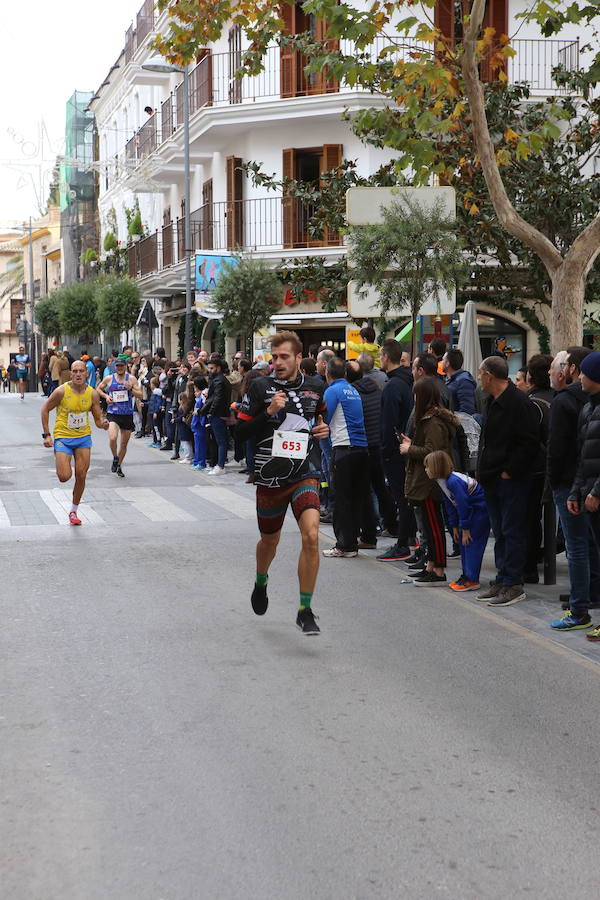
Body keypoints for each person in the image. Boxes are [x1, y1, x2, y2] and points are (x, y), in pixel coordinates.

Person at [235, 330, 329, 635]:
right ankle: (261, 580)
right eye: (274, 357)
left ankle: (305, 609)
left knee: (311, 536)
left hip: (305, 472)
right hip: (270, 477)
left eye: (284, 357)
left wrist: (322, 430)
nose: (278, 362)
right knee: (270, 542)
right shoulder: (260, 386)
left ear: (299, 358)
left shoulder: (316, 386)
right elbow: (240, 433)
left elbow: (320, 420)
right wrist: (268, 413)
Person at [476, 355, 539, 606]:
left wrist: (509, 471)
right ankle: (502, 579)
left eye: (481, 373)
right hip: (492, 478)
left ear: (489, 375)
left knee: (513, 531)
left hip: (511, 480)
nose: (479, 378)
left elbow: (529, 442)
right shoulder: (491, 401)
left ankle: (513, 583)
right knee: (500, 532)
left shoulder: (518, 402)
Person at [547, 347, 598, 631]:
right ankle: (586, 601)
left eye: (562, 365)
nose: (558, 371)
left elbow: (560, 449)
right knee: (586, 545)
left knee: (577, 546)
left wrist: (560, 484)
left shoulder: (566, 401)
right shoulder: (588, 404)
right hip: (581, 487)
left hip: (578, 487)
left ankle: (580, 608)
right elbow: (583, 451)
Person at [399, 377, 458, 586]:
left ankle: (439, 570)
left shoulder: (434, 421)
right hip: (424, 479)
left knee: (434, 526)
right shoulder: (429, 418)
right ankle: (431, 565)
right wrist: (411, 443)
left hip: (430, 481)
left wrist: (409, 449)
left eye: (416, 395)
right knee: (428, 524)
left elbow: (433, 452)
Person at [40, 360, 109, 525]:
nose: (78, 374)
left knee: (81, 475)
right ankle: (64, 459)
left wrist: (103, 424)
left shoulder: (92, 393)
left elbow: (98, 419)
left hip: (83, 437)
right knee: (64, 477)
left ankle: (73, 511)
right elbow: (45, 409)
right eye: (75, 371)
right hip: (63, 436)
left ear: (86, 373)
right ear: (71, 373)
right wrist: (47, 435)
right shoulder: (61, 391)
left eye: (81, 371)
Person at [567, 352, 600, 640]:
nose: (579, 377)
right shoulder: (589, 409)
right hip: (588, 495)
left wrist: (596, 492)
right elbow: (583, 457)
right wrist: (577, 491)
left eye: (584, 373)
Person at [346, 359, 397, 547]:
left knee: (364, 492)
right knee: (381, 487)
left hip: (364, 446)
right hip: (379, 445)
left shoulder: (353, 394)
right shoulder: (376, 388)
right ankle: (392, 526)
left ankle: (368, 536)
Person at [322, 356, 369, 558]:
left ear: (327, 372)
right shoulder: (353, 390)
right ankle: (351, 544)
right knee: (355, 499)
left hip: (343, 449)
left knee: (341, 499)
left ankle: (343, 545)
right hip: (361, 449)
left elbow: (323, 420)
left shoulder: (332, 391)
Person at [424, 450, 490, 591]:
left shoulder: (453, 481)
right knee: (463, 543)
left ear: (437, 467)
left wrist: (465, 529)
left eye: (427, 466)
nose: (426, 470)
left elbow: (463, 505)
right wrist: (454, 526)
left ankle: (472, 579)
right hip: (471, 512)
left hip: (479, 512)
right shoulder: (442, 481)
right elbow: (450, 504)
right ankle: (467, 576)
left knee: (471, 543)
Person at [377, 339, 415, 560]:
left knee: (401, 497)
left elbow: (388, 422)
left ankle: (402, 544)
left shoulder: (392, 386)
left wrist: (387, 450)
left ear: (385, 357)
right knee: (405, 496)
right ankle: (408, 538)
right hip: (403, 446)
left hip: (395, 450)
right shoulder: (404, 381)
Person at [95, 355, 142, 476]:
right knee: (112, 438)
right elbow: (98, 389)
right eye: (118, 366)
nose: (120, 368)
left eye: (122, 366)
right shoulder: (109, 378)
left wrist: (131, 388)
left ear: (125, 366)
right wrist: (106, 396)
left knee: (123, 444)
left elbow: (141, 395)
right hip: (113, 414)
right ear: (115, 367)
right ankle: (115, 457)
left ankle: (119, 465)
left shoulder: (131, 379)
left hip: (127, 414)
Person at [202, 356, 232, 475]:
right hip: (219, 413)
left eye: (212, 368)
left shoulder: (219, 380)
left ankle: (220, 466)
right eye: (209, 368)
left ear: (218, 367)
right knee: (219, 440)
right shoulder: (219, 379)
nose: (210, 370)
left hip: (218, 414)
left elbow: (217, 398)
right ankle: (218, 464)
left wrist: (211, 411)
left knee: (220, 441)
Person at [443, 348, 477, 414]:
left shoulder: (464, 381)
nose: (441, 362)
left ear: (447, 363)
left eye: (443, 359)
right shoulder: (448, 379)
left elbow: (467, 411)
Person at [191, 376, 208, 470]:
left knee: (200, 444)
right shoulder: (199, 395)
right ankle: (197, 460)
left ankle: (201, 462)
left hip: (200, 422)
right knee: (197, 444)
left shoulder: (203, 395)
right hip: (196, 422)